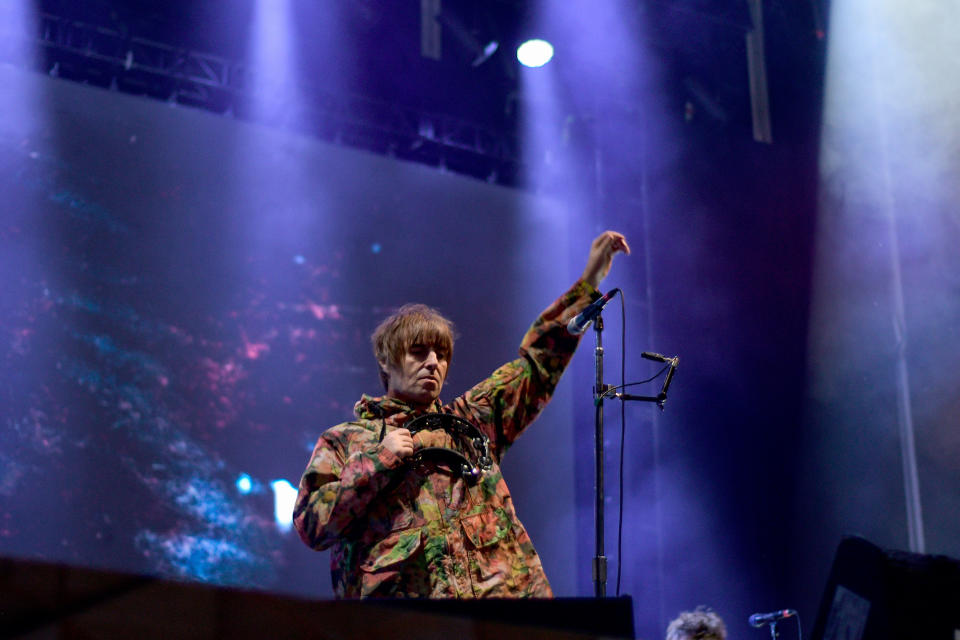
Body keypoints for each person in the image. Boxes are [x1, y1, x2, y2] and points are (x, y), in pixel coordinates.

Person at [293, 231, 630, 598]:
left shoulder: (470, 424)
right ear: (386, 361)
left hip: (502, 624)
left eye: (441, 354)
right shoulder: (346, 441)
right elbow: (313, 526)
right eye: (418, 352)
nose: (433, 363)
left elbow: (535, 367)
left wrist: (589, 283)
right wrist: (378, 461)